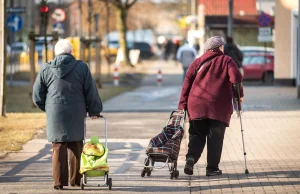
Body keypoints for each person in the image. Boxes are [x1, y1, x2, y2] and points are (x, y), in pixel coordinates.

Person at [32, 39, 103, 190]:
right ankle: (76, 180)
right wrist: (94, 110)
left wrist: (48, 108)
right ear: (71, 52)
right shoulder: (82, 68)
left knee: (57, 145)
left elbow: (37, 95)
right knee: (76, 145)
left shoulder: (46, 68)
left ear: (56, 53)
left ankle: (59, 182)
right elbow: (91, 90)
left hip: (55, 112)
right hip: (76, 112)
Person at [178, 36, 244, 176]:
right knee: (215, 138)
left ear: (207, 49)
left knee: (197, 135)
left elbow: (186, 85)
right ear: (219, 47)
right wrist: (239, 96)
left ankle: (190, 160)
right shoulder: (226, 60)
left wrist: (182, 105)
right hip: (218, 107)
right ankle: (212, 169)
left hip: (196, 104)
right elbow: (236, 78)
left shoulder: (197, 62)